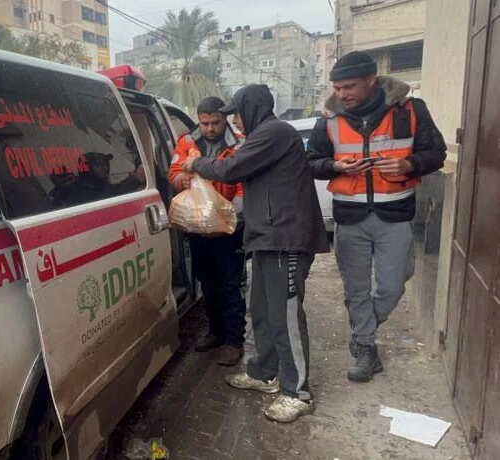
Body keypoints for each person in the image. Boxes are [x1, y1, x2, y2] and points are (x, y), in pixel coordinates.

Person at [182, 85, 329, 423]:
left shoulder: (274, 131)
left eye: (237, 112)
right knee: (261, 309)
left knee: (286, 315)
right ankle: (264, 373)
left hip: (286, 238)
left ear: (253, 108)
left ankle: (297, 392)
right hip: (266, 237)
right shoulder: (263, 135)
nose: (235, 119)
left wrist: (197, 162)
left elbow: (230, 169)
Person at [306, 51, 446, 383]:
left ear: (372, 80)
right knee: (356, 289)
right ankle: (366, 348)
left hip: (395, 215)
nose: (342, 95)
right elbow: (311, 161)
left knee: (393, 284)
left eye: (349, 87)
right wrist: (335, 166)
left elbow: (436, 152)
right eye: (337, 88)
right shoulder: (328, 119)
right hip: (350, 217)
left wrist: (409, 164)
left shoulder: (410, 110)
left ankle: (363, 330)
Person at [168, 96, 247, 365]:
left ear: (224, 119)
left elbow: (243, 187)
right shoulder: (187, 141)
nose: (210, 128)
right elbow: (174, 172)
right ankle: (215, 332)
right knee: (208, 283)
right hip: (197, 224)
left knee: (230, 285)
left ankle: (234, 341)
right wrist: (184, 179)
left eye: (215, 123)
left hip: (228, 229)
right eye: (205, 123)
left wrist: (228, 220)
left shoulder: (239, 144)